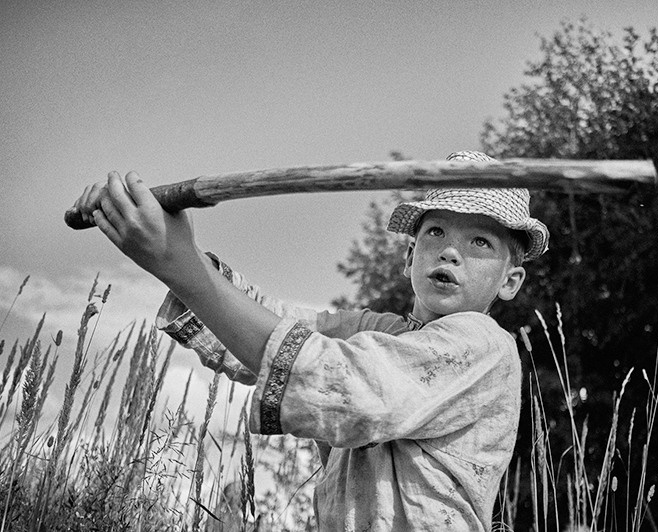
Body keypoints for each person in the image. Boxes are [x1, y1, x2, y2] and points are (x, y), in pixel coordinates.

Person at [72, 150, 549, 531]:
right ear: (408, 256)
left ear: (510, 281)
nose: (449, 250)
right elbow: (273, 327)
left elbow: (344, 384)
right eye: (436, 231)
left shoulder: (483, 348)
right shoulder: (374, 332)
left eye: (480, 243)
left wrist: (179, 264)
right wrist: (165, 240)